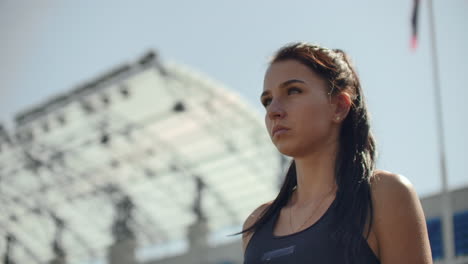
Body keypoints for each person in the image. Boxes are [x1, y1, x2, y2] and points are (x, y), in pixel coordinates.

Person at [239, 42, 432, 263]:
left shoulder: (384, 195)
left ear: (339, 106)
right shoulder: (256, 226)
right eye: (267, 100)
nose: (273, 111)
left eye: (293, 90)